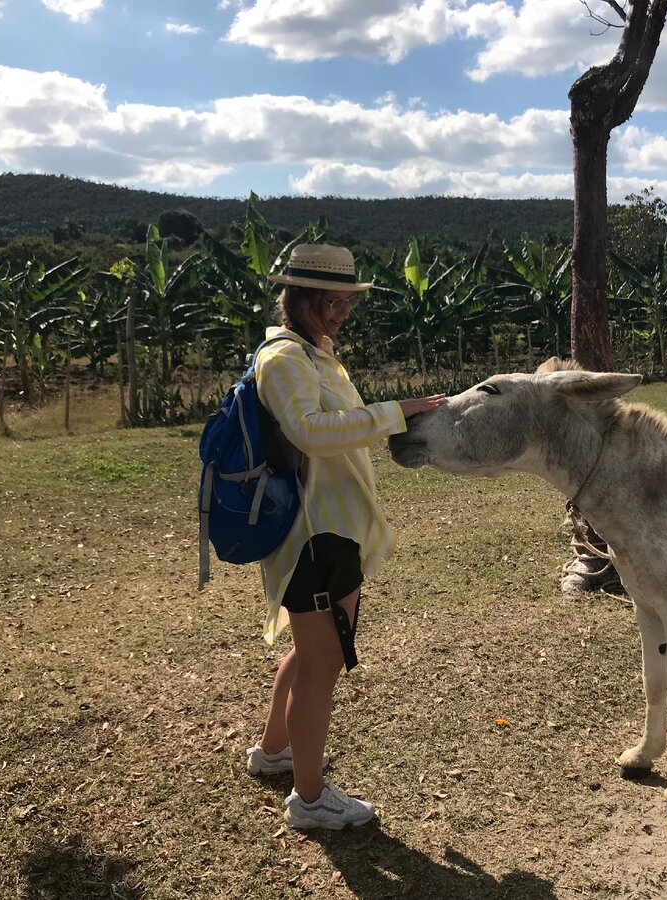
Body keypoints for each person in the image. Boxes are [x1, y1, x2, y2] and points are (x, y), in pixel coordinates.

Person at [243, 243, 446, 830]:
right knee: (322, 663)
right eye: (331, 302)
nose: (341, 313)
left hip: (334, 527)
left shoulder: (318, 355)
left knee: (311, 653)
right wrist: (396, 411)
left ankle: (276, 751)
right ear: (299, 299)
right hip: (311, 534)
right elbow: (309, 432)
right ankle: (310, 801)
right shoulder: (284, 360)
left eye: (347, 302)